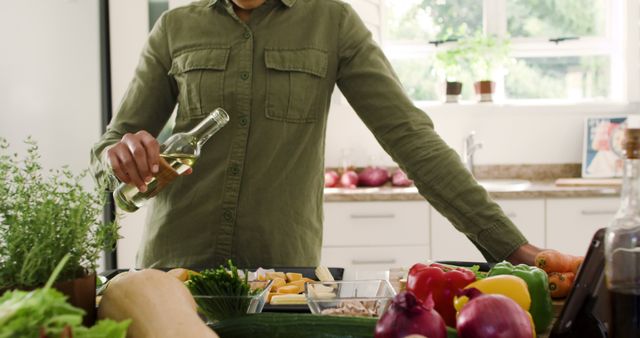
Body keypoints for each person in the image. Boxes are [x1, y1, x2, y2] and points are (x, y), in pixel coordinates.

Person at [92, 0, 542, 269]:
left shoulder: (333, 21)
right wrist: (120, 155)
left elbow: (410, 138)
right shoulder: (174, 27)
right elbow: (110, 147)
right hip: (173, 267)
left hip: (281, 276)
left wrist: (509, 246)